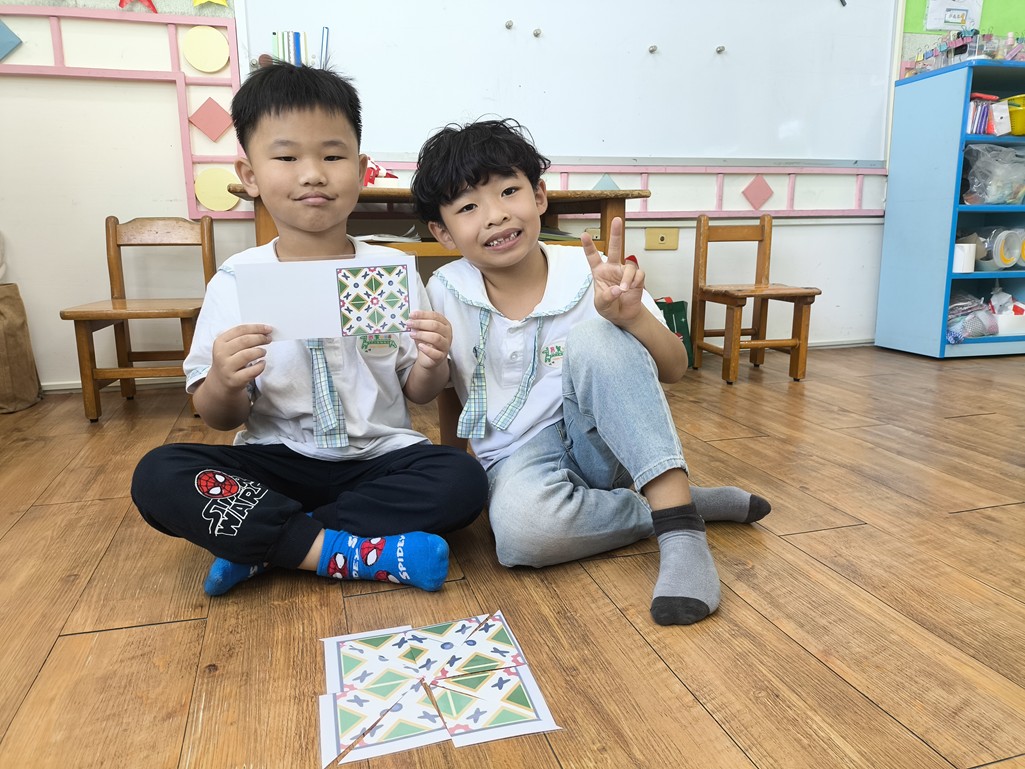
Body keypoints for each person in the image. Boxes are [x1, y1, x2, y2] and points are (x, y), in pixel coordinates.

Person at [131, 63, 487, 597]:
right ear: (250, 174)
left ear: (361, 169)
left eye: (333, 156)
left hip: (378, 458)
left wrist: (433, 362)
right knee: (158, 474)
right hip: (275, 459)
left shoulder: (390, 270)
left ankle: (269, 543)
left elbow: (417, 392)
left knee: (462, 480)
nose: (313, 174)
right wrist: (224, 381)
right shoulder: (237, 279)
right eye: (286, 157)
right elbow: (220, 417)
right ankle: (346, 551)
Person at [410, 118, 770, 625]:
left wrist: (632, 318)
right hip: (516, 460)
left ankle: (681, 533)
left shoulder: (590, 272)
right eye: (468, 207)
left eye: (509, 191)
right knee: (521, 536)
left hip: (605, 439)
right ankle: (673, 503)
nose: (495, 215)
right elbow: (450, 391)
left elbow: (675, 369)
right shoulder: (445, 289)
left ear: (538, 196)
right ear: (443, 233)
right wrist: (456, 466)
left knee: (597, 335)